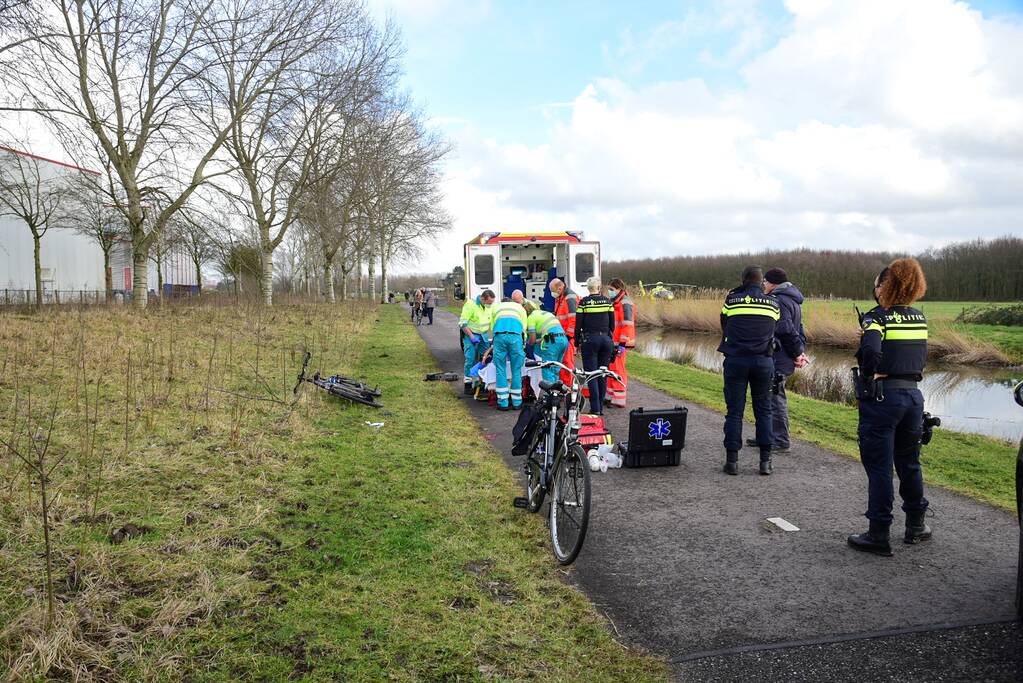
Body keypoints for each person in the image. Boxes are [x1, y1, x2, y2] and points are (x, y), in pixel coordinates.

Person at [848, 258, 931, 557]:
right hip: (913, 397)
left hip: (883, 399)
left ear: (885, 286)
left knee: (880, 467)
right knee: (909, 463)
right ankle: (916, 526)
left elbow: (871, 350)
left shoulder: (876, 318)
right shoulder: (918, 318)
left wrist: (871, 373)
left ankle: (879, 533)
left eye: (877, 284)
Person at [718, 266, 780, 476]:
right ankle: (765, 462)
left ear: (743, 280)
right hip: (763, 361)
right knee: (764, 410)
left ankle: (732, 462)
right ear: (761, 281)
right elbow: (775, 327)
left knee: (734, 411)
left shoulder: (731, 300)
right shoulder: (773, 303)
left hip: (736, 360)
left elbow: (724, 325)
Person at [746, 268, 809, 453]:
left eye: (765, 282)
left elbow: (787, 330)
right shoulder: (792, 300)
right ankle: (764, 436)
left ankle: (780, 440)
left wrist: (797, 353)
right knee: (765, 397)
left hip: (778, 358)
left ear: (772, 283)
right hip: (784, 357)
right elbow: (800, 329)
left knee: (775, 398)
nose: (763, 285)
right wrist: (800, 352)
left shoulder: (779, 300)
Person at [575, 276, 616, 415]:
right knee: (602, 373)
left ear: (588, 288)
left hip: (590, 340)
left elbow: (578, 325)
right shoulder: (607, 301)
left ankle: (595, 409)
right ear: (599, 287)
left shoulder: (584, 303)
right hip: (606, 340)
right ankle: (601, 407)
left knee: (592, 375)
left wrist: (576, 343)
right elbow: (612, 324)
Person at [490, 294, 528, 411]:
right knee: (516, 369)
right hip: (515, 337)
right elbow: (524, 327)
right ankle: (517, 402)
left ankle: (503, 403)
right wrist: (523, 344)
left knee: (500, 368)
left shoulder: (495, 307)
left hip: (499, 336)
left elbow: (492, 326)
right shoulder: (520, 308)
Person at [606, 278, 636, 409]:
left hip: (620, 343)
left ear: (619, 289)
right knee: (611, 369)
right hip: (614, 342)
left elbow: (627, 325)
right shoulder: (616, 302)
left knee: (618, 370)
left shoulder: (625, 303)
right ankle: (610, 396)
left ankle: (618, 400)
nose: (609, 292)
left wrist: (622, 344)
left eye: (612, 289)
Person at [458, 289, 495, 395]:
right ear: (483, 299)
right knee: (470, 358)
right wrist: (471, 336)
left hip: (483, 336)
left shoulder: (488, 306)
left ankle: (483, 383)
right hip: (471, 335)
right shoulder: (470, 305)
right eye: (489, 303)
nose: (490, 305)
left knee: (487, 358)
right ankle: (468, 384)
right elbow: (463, 323)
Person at [524, 300, 568, 385]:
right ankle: (558, 393)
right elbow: (547, 334)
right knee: (556, 368)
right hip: (563, 339)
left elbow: (532, 340)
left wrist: (526, 342)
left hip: (552, 341)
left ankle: (551, 395)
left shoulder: (530, 318)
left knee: (547, 368)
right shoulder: (544, 313)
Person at [550, 279, 578, 385]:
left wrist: (570, 336)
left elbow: (573, 318)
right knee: (561, 362)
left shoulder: (570, 297)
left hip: (567, 336)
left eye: (553, 290)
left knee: (567, 362)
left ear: (560, 288)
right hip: (562, 335)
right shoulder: (561, 297)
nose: (552, 294)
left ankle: (569, 387)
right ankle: (563, 385)